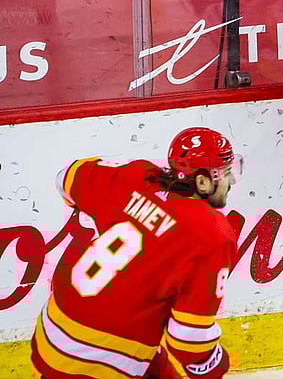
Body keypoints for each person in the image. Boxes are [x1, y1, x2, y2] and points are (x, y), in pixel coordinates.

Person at [30, 127, 241, 379]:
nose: (233, 181)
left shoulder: (134, 175)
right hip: (106, 359)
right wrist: (214, 365)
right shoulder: (211, 233)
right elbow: (188, 341)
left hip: (52, 329)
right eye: (227, 173)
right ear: (203, 182)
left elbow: (64, 178)